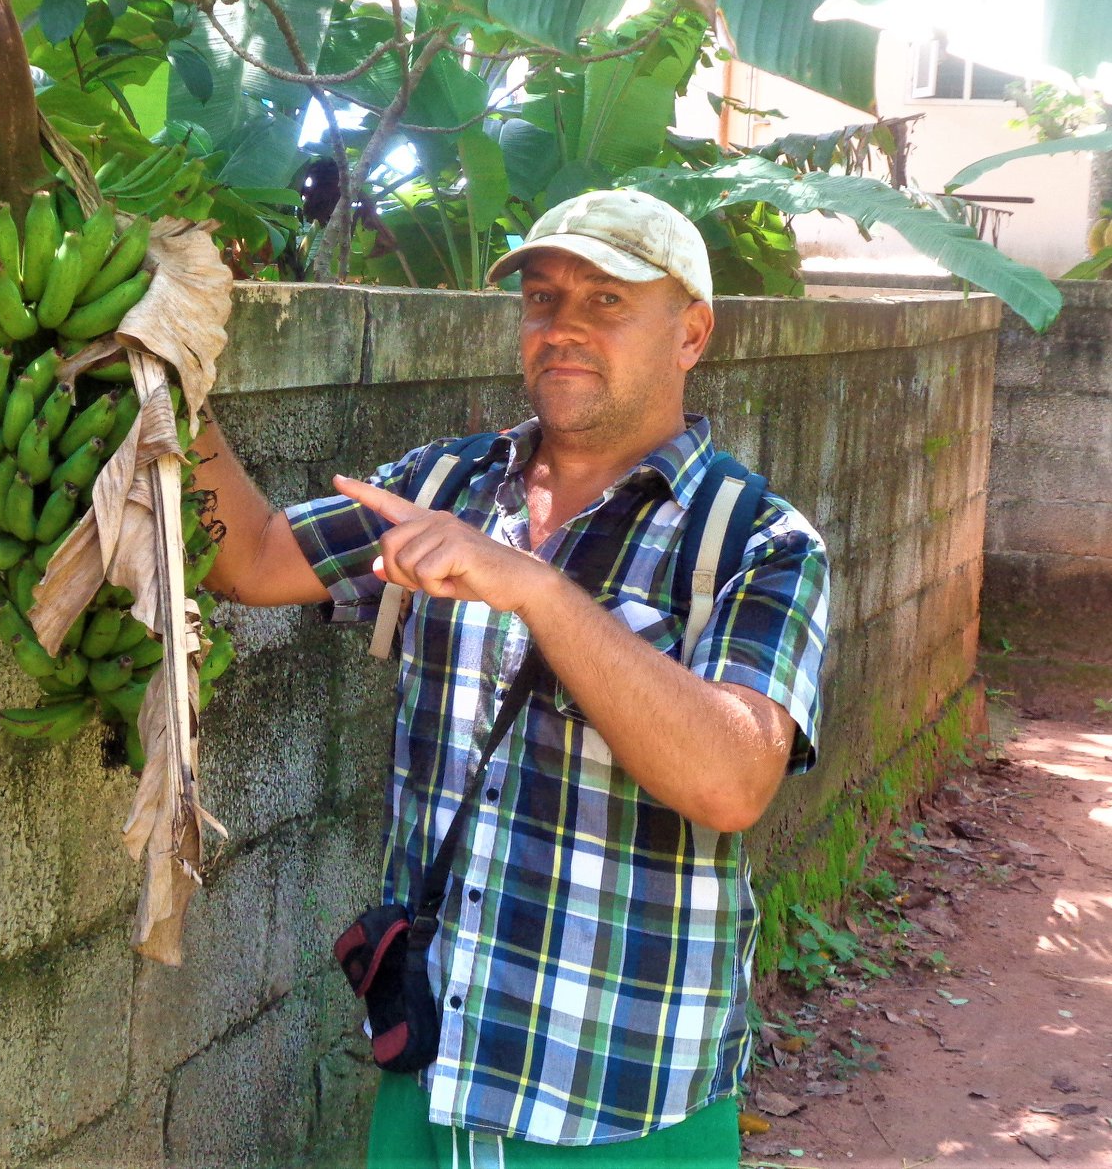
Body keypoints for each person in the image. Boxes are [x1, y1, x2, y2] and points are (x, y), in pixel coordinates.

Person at [190, 191, 829, 1166]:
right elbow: (252, 558)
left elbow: (731, 781)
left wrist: (536, 588)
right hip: (436, 1079)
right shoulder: (449, 489)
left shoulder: (755, 541)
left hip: (620, 1100)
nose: (562, 326)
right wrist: (168, 375)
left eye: (606, 300)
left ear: (691, 333)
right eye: (542, 298)